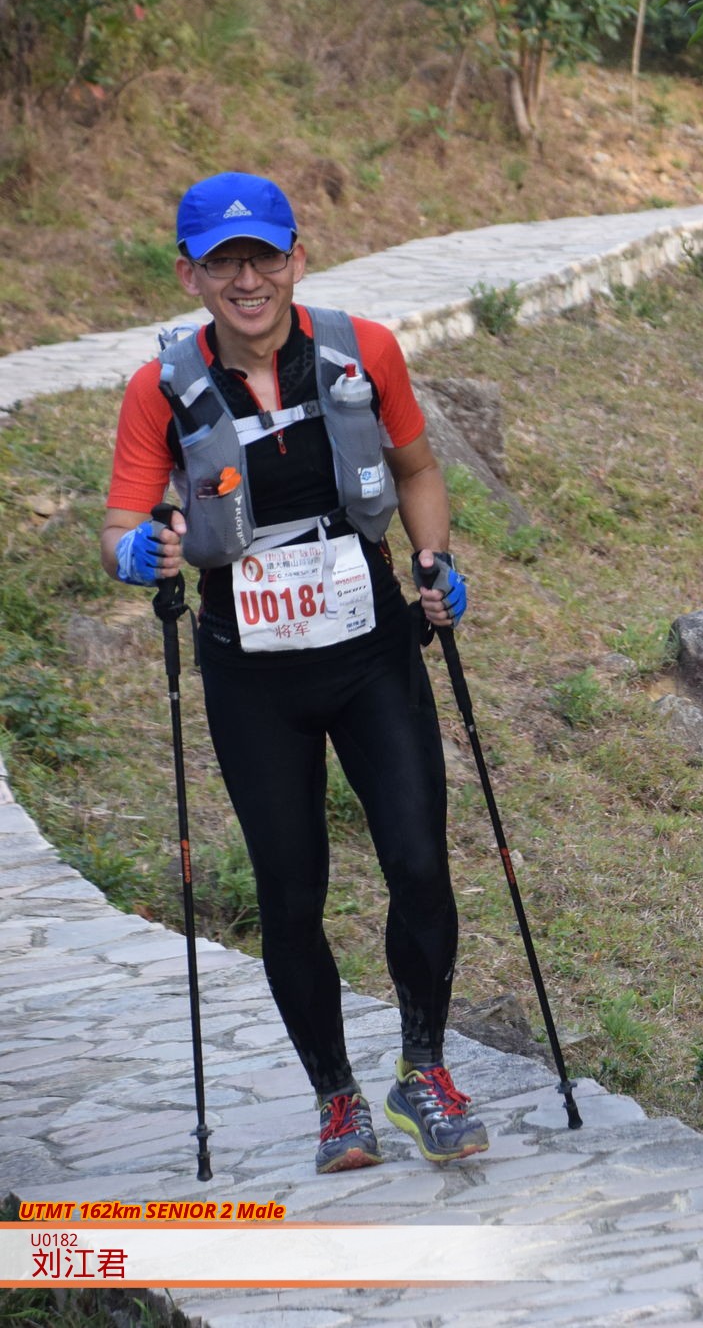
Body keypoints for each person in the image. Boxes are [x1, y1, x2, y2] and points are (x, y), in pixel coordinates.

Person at [99, 171, 489, 1173]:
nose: (247, 279)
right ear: (189, 275)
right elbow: (119, 524)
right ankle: (335, 1096)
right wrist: (138, 553)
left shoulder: (365, 352)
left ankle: (423, 1069)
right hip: (252, 674)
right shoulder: (160, 389)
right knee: (290, 888)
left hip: (369, 649)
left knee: (418, 859)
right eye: (223, 262)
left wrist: (434, 559)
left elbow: (417, 470)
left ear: (296, 259)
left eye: (264, 256)